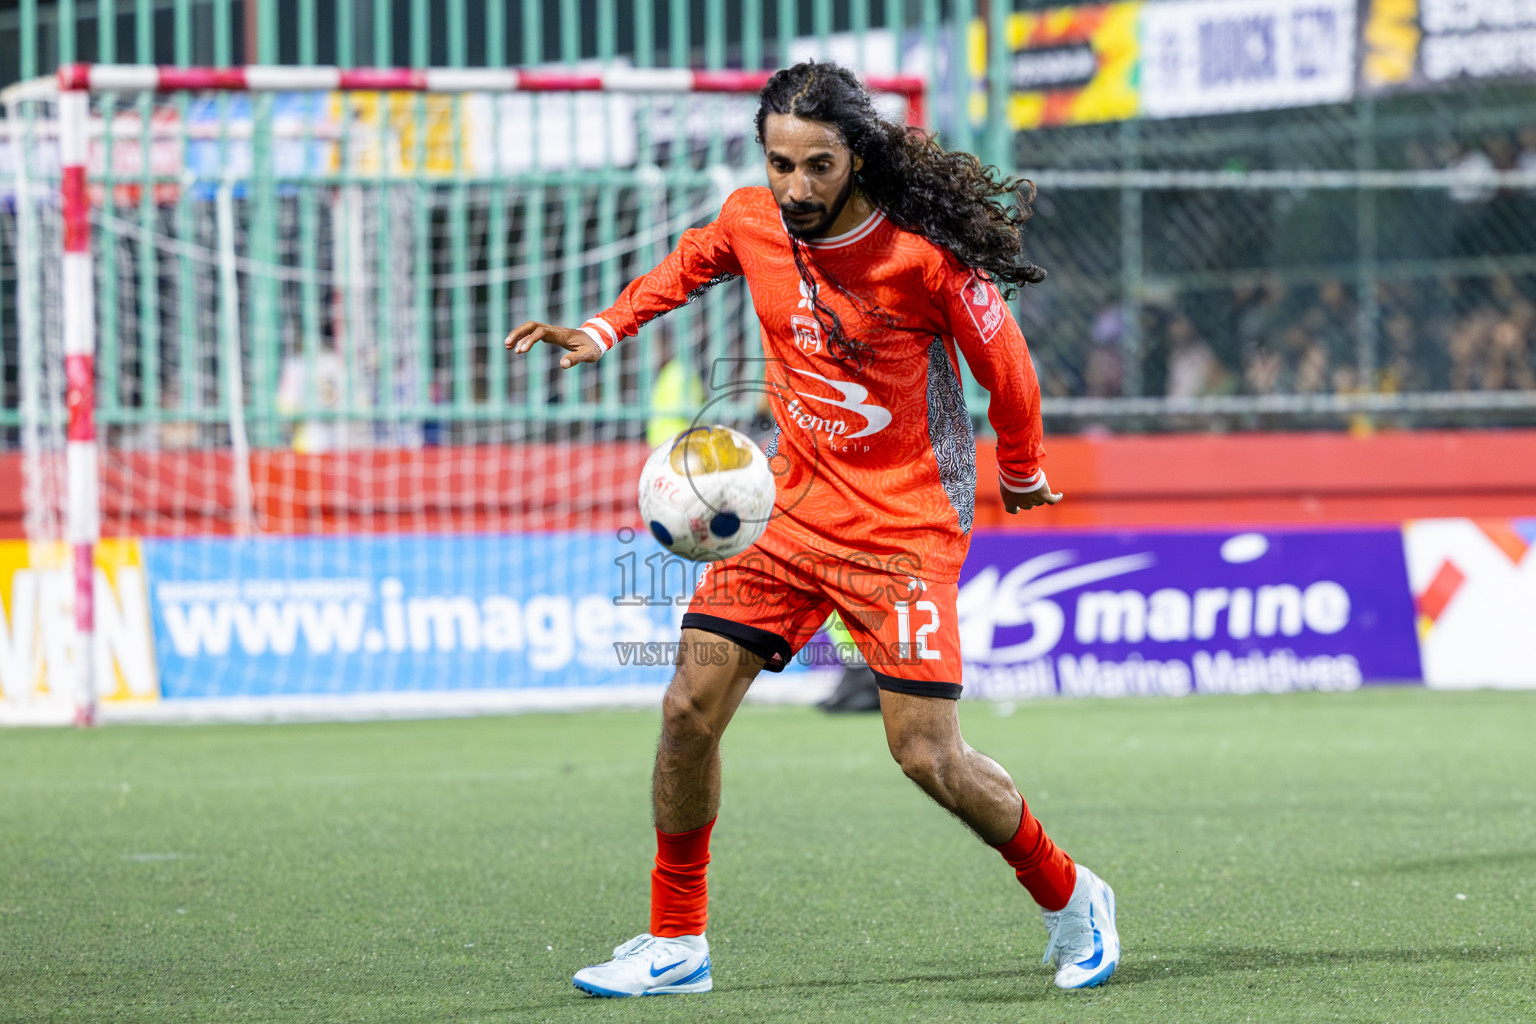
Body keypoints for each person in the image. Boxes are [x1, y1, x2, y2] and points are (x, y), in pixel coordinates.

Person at [505, 61, 1119, 997]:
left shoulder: (920, 257)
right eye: (780, 163)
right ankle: (677, 940)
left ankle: (1071, 895)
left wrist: (1024, 466)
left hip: (903, 525)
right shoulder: (752, 220)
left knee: (926, 756)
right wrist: (601, 330)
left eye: (817, 166)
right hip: (789, 511)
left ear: (856, 157)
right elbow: (686, 266)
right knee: (686, 710)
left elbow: (1008, 364)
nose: (795, 187)